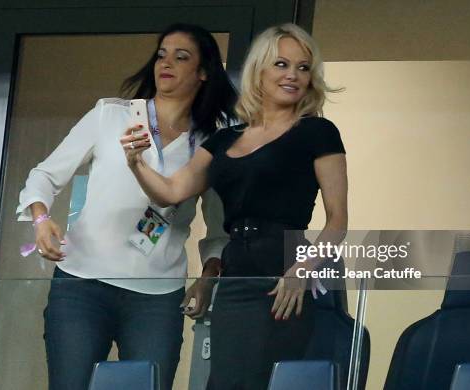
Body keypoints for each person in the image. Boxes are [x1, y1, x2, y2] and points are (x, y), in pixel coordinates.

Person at [122, 23, 348, 389]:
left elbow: (338, 219)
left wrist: (303, 269)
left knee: (259, 380)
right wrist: (136, 162)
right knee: (223, 381)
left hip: (282, 275)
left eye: (303, 68)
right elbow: (170, 192)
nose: (293, 75)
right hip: (234, 273)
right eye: (281, 65)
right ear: (259, 70)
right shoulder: (225, 138)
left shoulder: (318, 132)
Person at [17, 23, 237, 390]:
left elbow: (219, 229)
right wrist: (41, 219)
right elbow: (45, 175)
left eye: (181, 57)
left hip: (157, 295)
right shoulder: (112, 114)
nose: (166, 63)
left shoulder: (210, 143)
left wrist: (207, 279)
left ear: (203, 72)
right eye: (162, 54)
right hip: (81, 284)